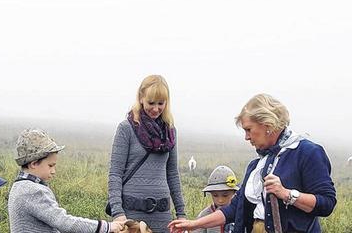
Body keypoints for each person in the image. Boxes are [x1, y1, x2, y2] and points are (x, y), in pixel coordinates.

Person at [169, 93, 336, 233]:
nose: (246, 137)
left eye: (249, 129)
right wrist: (193, 224)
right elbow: (233, 209)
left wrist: (287, 194)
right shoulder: (256, 166)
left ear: (267, 124)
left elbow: (326, 204)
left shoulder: (307, 153)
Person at [108, 75, 186, 233]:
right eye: (151, 103)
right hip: (131, 215)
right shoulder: (126, 129)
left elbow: (172, 174)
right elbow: (115, 173)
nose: (156, 109)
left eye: (161, 103)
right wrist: (118, 213)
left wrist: (181, 213)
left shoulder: (170, 132)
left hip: (163, 216)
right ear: (141, 98)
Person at [7, 128, 124, 233]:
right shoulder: (33, 191)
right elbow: (64, 222)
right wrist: (106, 227)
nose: (53, 171)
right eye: (50, 165)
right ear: (33, 164)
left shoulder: (18, 186)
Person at [192, 165, 239, 233]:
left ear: (235, 193)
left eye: (225, 195)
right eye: (215, 195)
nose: (220, 200)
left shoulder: (240, 213)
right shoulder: (205, 215)